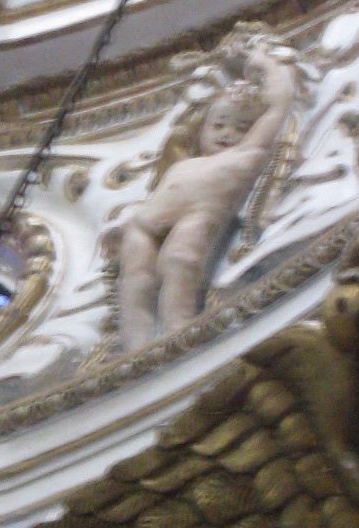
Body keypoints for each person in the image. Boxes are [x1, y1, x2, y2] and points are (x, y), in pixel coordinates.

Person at [115, 41, 297, 346]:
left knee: (181, 261)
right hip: (143, 224)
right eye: (219, 125)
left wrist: (262, 61)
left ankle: (177, 333)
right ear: (201, 129)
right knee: (136, 281)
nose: (227, 133)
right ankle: (137, 350)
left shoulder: (247, 153)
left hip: (198, 218)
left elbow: (281, 102)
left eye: (241, 127)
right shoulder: (185, 161)